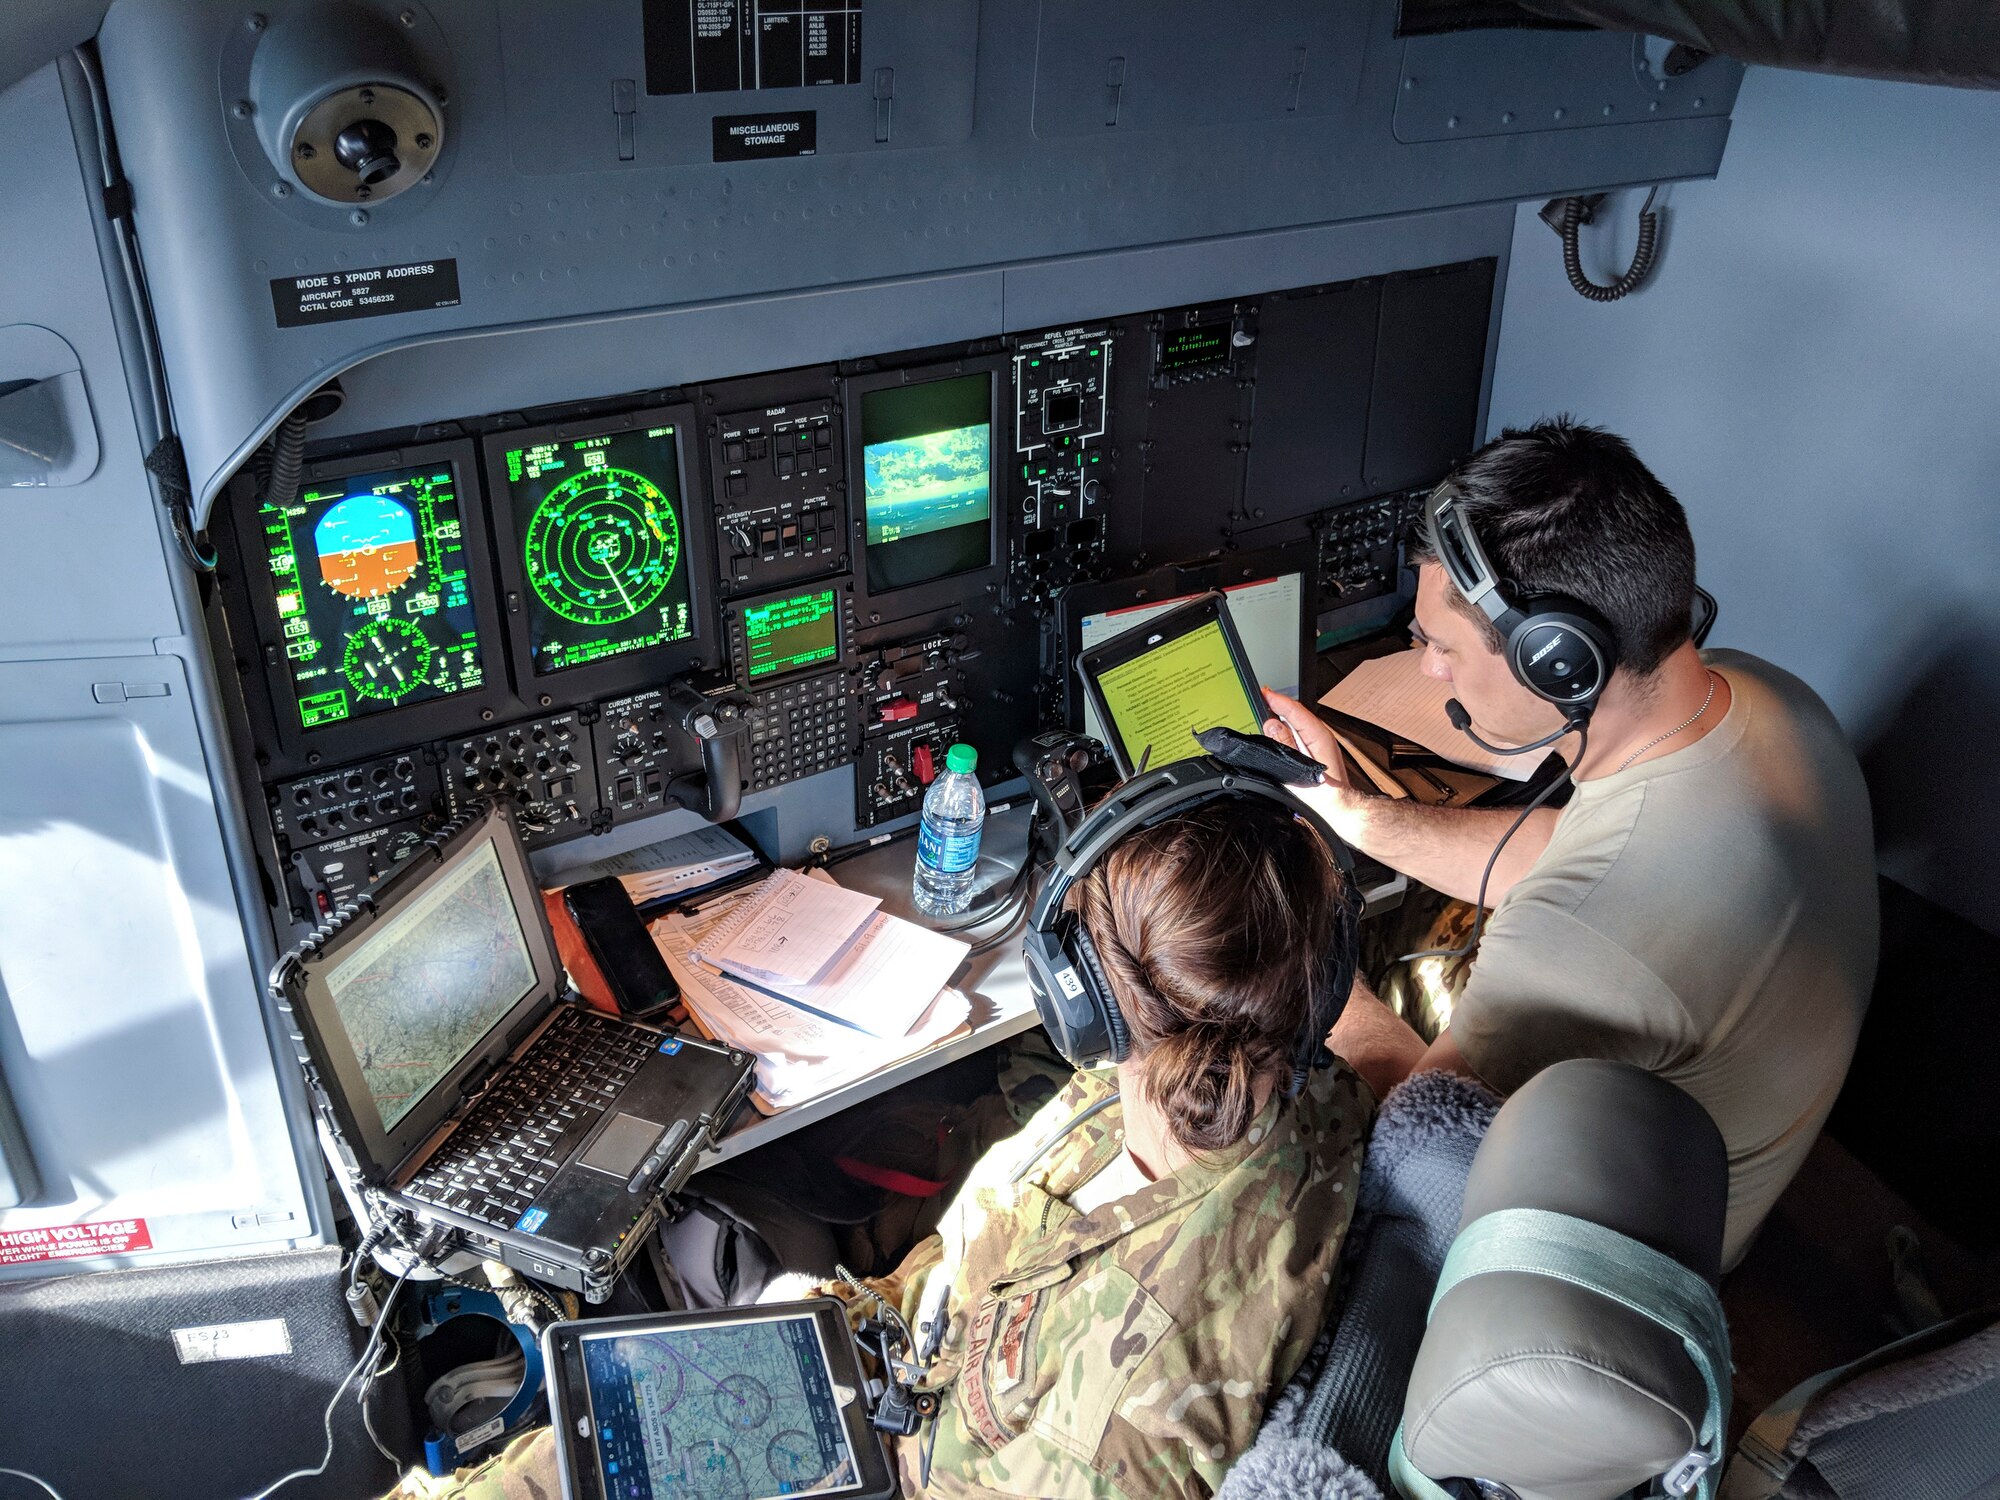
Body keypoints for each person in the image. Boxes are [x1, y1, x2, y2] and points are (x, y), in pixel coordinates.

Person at [385, 798, 1371, 1500]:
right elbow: (986, 1289)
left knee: (563, 1463)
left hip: (890, 1456)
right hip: (891, 1358)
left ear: (1085, 1001)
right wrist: (832, 1322)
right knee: (579, 1423)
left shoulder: (1113, 1429)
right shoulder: (1271, 1076)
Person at [1264, 416, 1878, 1271]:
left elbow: (1420, 1140)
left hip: (1613, 1264)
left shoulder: (1584, 934)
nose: (1427, 665)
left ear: (1557, 661)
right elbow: (1577, 847)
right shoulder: (1762, 696)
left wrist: (1290, 953)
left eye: (1438, 645)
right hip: (1717, 1145)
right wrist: (1352, 812)